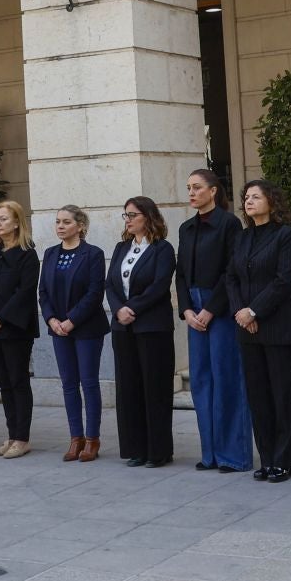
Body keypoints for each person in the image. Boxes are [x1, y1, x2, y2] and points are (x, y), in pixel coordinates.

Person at [227, 179, 291, 482]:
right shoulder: (242, 238)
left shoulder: (286, 235)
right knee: (258, 396)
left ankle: (286, 459)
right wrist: (240, 312)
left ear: (271, 201)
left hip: (278, 326)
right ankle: (268, 456)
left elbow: (283, 280)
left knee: (281, 395)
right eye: (246, 198)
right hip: (248, 328)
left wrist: (254, 310)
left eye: (255, 197)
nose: (249, 202)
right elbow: (230, 277)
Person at [178, 168, 250, 473]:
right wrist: (186, 310)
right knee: (201, 381)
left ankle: (233, 454)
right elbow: (180, 273)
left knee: (227, 379)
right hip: (194, 311)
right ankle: (210, 453)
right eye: (188, 188)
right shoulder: (186, 228)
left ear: (213, 191)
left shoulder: (229, 224)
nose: (192, 193)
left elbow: (230, 271)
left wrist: (210, 308)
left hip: (218, 309)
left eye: (197, 187)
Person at [107, 196, 176, 468]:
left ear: (148, 216)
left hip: (152, 326)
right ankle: (136, 448)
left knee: (154, 387)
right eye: (125, 215)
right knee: (129, 388)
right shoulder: (121, 247)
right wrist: (117, 310)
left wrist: (131, 308)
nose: (128, 220)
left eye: (133, 215)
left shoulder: (163, 249)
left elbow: (159, 286)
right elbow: (110, 283)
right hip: (122, 328)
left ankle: (158, 450)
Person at [40, 205, 106, 462]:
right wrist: (52, 319)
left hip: (87, 327)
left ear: (80, 226)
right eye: (57, 222)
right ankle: (75, 438)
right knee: (68, 384)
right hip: (58, 329)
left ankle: (92, 439)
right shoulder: (50, 253)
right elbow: (43, 291)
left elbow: (94, 293)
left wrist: (71, 321)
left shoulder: (93, 254)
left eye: (66, 222)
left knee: (88, 383)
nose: (60, 226)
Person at [0, 200, 39, 458]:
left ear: (17, 222)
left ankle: (22, 438)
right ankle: (11, 434)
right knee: (3, 383)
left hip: (14, 328)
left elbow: (24, 293)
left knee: (17, 381)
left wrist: (0, 319)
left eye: (4, 219)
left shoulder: (27, 254)